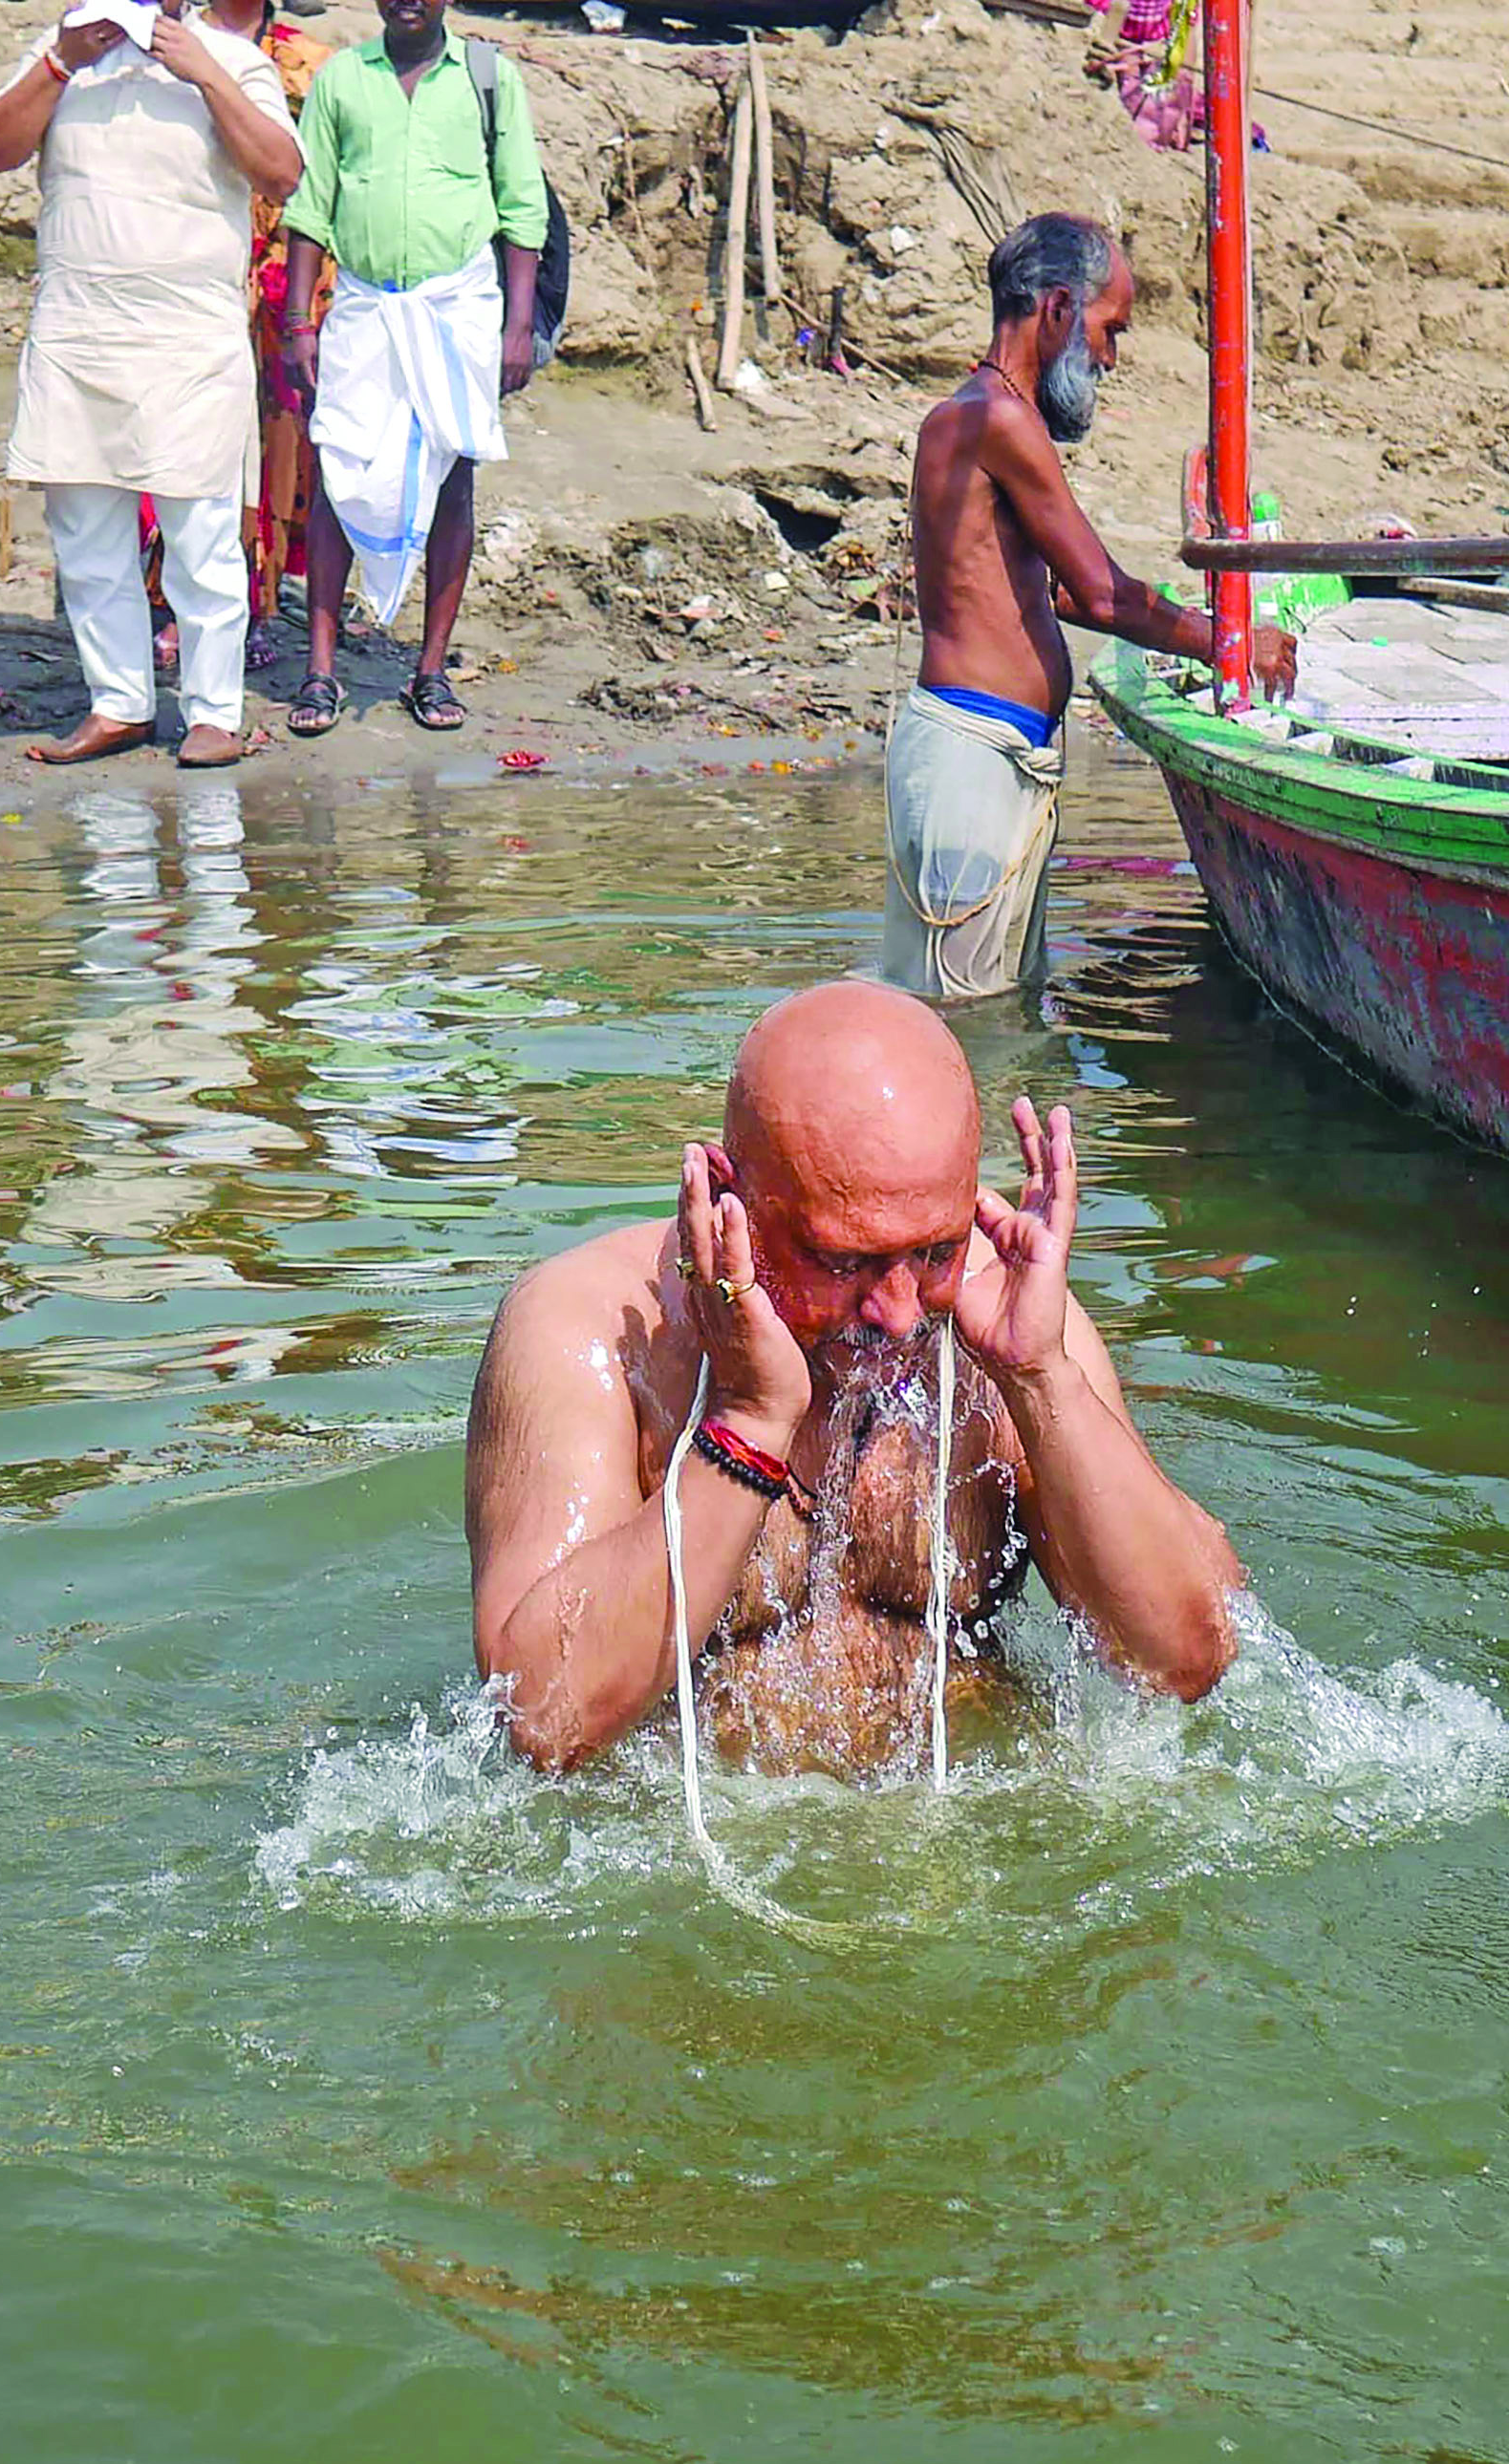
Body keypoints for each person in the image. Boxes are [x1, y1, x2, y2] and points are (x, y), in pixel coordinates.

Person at [464, 980, 1240, 1776]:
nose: (900, 1313)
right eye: (844, 1262)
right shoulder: (584, 1328)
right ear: (731, 1198)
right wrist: (749, 1419)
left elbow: (1184, 1658)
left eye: (934, 1251)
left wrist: (1040, 1377)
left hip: (958, 1843)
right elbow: (544, 1716)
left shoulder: (1002, 1307)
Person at [892, 214, 1290, 1007]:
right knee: (965, 1017)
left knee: (995, 1002)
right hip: (975, 760)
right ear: (1060, 310)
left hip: (992, 753)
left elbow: (1067, 594)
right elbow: (1102, 591)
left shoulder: (981, 416)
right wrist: (1230, 645)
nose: (1110, 357)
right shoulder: (994, 419)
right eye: (1111, 330)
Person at [0, 0, 292, 769]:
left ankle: (213, 713)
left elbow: (281, 172)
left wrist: (205, 71)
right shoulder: (58, 57)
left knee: (203, 534)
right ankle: (119, 703)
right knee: (85, 531)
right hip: (78, 327)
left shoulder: (232, 60)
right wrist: (60, 61)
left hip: (189, 334)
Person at [279, 0, 539, 738]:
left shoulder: (490, 78)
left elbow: (522, 208)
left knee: (454, 475)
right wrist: (300, 319)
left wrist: (517, 326)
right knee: (338, 470)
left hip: (457, 306)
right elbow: (310, 204)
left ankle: (430, 671)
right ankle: (321, 671)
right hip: (362, 306)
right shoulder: (342, 79)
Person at [235, 0, 325, 628]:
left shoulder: (309, 67)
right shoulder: (170, 48)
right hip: (192, 269)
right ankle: (164, 600)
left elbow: (323, 182)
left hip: (281, 278)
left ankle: (256, 600)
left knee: (276, 441)